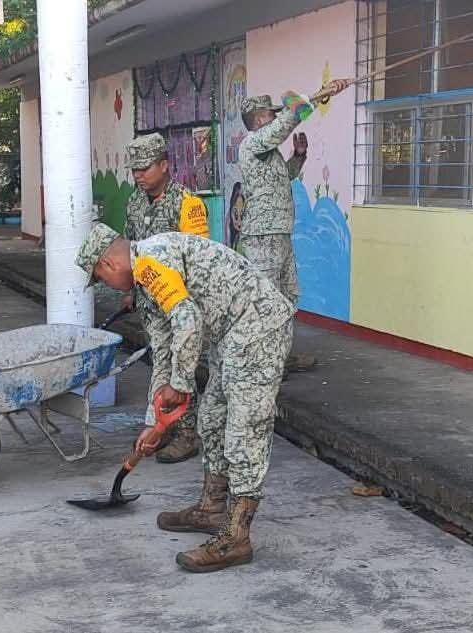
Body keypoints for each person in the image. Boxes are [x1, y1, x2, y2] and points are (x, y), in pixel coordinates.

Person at [76, 223, 294, 572]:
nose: (107, 285)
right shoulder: (146, 287)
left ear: (107, 264)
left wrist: (180, 384)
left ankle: (236, 538)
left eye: (101, 279)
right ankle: (211, 509)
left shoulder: (150, 262)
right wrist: (154, 424)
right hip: (232, 334)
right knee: (210, 421)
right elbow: (163, 353)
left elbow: (188, 319)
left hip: (259, 326)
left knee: (244, 432)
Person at [237, 79, 352, 374]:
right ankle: (261, 362)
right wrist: (312, 99)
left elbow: (282, 178)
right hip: (262, 238)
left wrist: (298, 158)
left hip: (279, 234)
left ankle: (280, 356)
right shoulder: (253, 143)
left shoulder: (268, 152)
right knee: (265, 301)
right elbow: (284, 124)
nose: (276, 117)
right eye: (271, 114)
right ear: (261, 119)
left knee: (287, 297)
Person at [122, 133, 210, 463]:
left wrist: (185, 307)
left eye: (144, 168)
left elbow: (199, 262)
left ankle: (186, 433)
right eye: (134, 171)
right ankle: (165, 425)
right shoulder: (134, 203)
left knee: (176, 365)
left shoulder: (188, 204)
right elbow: (129, 251)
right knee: (163, 365)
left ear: (164, 165)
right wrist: (130, 292)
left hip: (179, 306)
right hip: (149, 305)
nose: (138, 176)